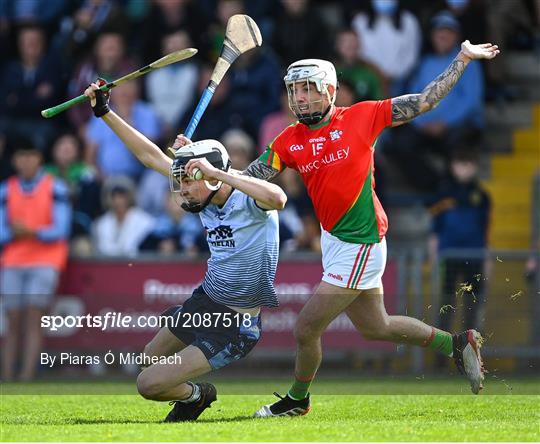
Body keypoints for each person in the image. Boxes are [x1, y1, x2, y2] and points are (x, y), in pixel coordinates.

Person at [243, 39, 499, 417]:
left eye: (308, 88)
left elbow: (426, 100)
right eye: (294, 90)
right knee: (376, 326)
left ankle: (298, 400)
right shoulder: (288, 139)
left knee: (305, 328)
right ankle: (457, 344)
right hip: (334, 240)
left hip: (360, 240)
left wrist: (461, 59)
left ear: (329, 90)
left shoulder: (362, 116)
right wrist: (207, 169)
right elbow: (251, 179)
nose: (299, 98)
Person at [83, 80, 286, 422]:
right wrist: (105, 112)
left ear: (212, 177)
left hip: (235, 323)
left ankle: (197, 395)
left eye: (189, 181)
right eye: (181, 182)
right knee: (149, 359)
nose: (183, 191)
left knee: (147, 384)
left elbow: (277, 197)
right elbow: (150, 156)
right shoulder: (201, 199)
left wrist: (218, 172)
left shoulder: (250, 201)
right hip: (205, 301)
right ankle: (194, 397)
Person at [387, 11, 485, 191]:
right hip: (425, 126)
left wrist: (445, 123)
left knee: (459, 144)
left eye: (448, 31)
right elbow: (415, 97)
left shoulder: (470, 61)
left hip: (457, 126)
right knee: (398, 145)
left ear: (456, 36)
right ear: (432, 36)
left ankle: (456, 191)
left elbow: (471, 101)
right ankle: (435, 188)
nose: (443, 35)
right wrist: (422, 123)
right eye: (439, 31)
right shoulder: (424, 63)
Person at [0, 138, 71, 381]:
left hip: (45, 260)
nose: (26, 161)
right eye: (22, 156)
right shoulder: (5, 190)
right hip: (12, 261)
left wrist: (28, 232)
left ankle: (27, 377)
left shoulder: (55, 187)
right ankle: (8, 377)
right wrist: (15, 233)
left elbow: (61, 229)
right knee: (12, 320)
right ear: (15, 160)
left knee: (33, 318)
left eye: (31, 156)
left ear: (39, 160)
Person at [428, 149, 491, 337]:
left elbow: (486, 230)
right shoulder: (443, 193)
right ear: (453, 166)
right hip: (449, 257)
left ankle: (470, 350)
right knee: (446, 305)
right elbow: (435, 229)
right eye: (460, 164)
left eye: (468, 164)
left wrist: (487, 259)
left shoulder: (482, 196)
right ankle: (442, 350)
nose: (464, 169)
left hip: (475, 257)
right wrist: (433, 257)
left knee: (472, 306)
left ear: (475, 167)